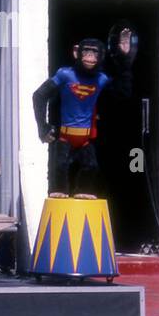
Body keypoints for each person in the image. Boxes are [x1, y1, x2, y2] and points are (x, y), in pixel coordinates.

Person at [32, 31, 135, 198]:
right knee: (59, 168)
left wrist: (124, 59)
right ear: (76, 52)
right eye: (86, 51)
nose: (89, 56)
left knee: (91, 167)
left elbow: (123, 94)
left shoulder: (101, 79)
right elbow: (39, 95)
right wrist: (42, 127)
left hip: (86, 138)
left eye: (94, 52)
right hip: (65, 135)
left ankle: (83, 192)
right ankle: (61, 195)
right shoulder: (65, 74)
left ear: (101, 56)